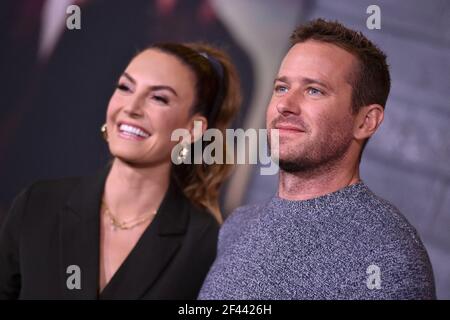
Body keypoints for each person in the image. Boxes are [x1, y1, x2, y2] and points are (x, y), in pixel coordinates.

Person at [198, 19, 436, 300]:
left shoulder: (387, 256)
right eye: (282, 88)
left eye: (314, 90)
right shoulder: (237, 225)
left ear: (366, 121)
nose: (285, 105)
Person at [0, 42, 241, 299]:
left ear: (192, 130)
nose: (132, 108)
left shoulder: (206, 246)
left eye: (158, 98)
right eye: (125, 87)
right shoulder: (38, 204)